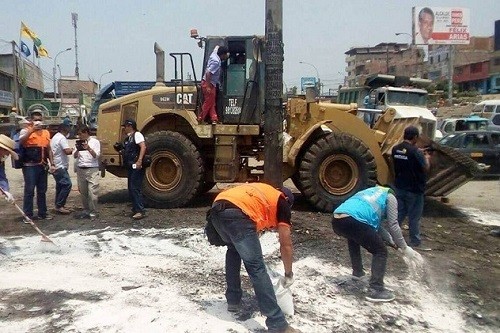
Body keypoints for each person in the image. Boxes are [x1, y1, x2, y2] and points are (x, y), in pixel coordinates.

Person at [210, 183, 299, 333]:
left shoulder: (263, 193)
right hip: (237, 213)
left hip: (217, 210)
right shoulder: (282, 201)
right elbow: (286, 244)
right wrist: (288, 273)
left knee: (233, 250)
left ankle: (233, 300)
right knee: (256, 267)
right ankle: (277, 324)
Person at [332, 186, 421, 302]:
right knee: (380, 251)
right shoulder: (391, 196)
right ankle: (376, 289)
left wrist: (394, 243)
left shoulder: (370, 193)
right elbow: (393, 225)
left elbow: (376, 228)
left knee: (353, 236)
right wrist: (404, 247)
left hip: (337, 219)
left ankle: (357, 273)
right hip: (354, 220)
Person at [391, 126, 431, 247]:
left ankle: (392, 237)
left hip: (400, 187)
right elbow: (425, 168)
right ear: (415, 137)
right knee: (414, 217)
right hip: (414, 189)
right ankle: (415, 241)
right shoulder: (416, 152)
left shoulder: (395, 149)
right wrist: (427, 158)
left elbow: (394, 165)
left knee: (399, 214)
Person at [19, 110, 55, 221]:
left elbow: (48, 149)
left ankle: (42, 213)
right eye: (35, 120)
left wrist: (52, 163)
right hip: (29, 166)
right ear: (31, 121)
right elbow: (21, 142)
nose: (38, 122)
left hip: (42, 165)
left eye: (39, 120)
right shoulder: (25, 131)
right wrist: (31, 131)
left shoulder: (46, 133)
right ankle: (28, 215)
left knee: (42, 190)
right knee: (29, 191)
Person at [121, 119, 147, 220]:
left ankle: (140, 210)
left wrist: (139, 160)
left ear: (130, 126)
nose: (124, 128)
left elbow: (143, 147)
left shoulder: (137, 135)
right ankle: (135, 208)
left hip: (136, 164)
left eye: (125, 126)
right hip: (130, 165)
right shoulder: (128, 138)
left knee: (135, 187)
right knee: (131, 187)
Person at [73, 125, 100, 219]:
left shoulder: (95, 142)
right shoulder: (78, 143)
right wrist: (78, 149)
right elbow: (75, 156)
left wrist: (88, 148)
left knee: (92, 192)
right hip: (81, 169)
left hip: (92, 168)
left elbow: (96, 156)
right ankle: (86, 210)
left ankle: (93, 211)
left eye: (80, 134)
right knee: (83, 192)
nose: (79, 136)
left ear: (86, 133)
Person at [198, 45, 229, 124]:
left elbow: (216, 48)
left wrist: (218, 46)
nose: (227, 56)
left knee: (212, 101)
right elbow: (208, 73)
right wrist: (208, 86)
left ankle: (214, 118)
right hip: (209, 83)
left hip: (212, 83)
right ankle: (200, 118)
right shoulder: (216, 62)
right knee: (209, 102)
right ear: (222, 55)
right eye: (226, 54)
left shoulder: (214, 53)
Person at [50, 124, 73, 214]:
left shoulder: (55, 137)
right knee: (67, 184)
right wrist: (75, 149)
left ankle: (58, 205)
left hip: (56, 164)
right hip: (60, 165)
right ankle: (59, 205)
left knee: (60, 186)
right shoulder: (61, 138)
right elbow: (67, 151)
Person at [0, 134, 18, 204]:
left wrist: (5, 190)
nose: (7, 155)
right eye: (7, 152)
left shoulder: (0, 160)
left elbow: (1, 177)